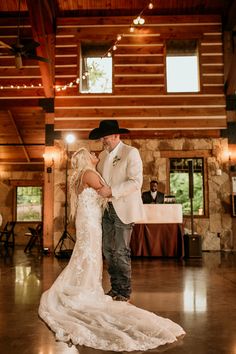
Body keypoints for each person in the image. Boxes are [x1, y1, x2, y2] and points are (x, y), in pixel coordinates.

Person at [38, 147, 185, 351]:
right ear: (85, 158)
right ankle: (89, 289)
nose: (96, 155)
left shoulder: (80, 175)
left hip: (87, 219)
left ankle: (85, 285)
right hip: (90, 221)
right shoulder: (89, 174)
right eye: (92, 154)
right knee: (90, 255)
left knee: (87, 255)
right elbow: (106, 190)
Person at [88, 119, 144, 302]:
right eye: (102, 138)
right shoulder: (103, 156)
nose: (103, 141)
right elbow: (99, 180)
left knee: (121, 251)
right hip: (106, 209)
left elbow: (136, 182)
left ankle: (124, 292)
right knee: (108, 250)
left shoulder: (131, 152)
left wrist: (112, 191)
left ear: (116, 136)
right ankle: (115, 287)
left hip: (124, 208)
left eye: (106, 138)